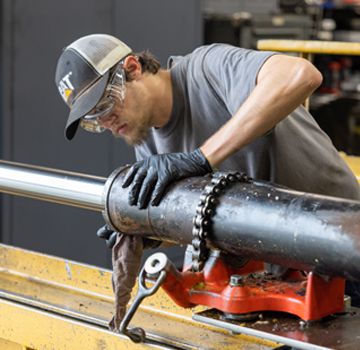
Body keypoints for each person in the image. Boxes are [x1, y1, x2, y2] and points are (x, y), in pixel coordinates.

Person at [55, 34, 360, 315]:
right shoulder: (147, 140)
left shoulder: (206, 70)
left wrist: (200, 157)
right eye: (93, 120)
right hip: (281, 281)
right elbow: (210, 215)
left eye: (105, 105)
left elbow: (302, 75)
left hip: (346, 249)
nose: (107, 122)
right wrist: (154, 232)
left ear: (132, 68)